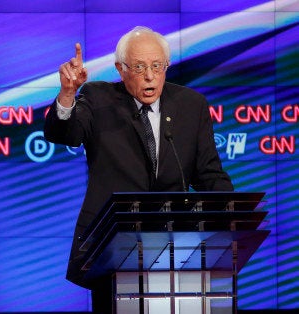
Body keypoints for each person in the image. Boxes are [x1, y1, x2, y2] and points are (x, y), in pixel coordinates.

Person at [43, 26, 233, 313]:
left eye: (157, 66)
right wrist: (68, 95)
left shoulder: (191, 105)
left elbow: (208, 174)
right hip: (113, 247)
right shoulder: (98, 98)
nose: (150, 76)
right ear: (121, 69)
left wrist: (232, 216)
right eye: (140, 67)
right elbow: (66, 134)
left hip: (177, 248)